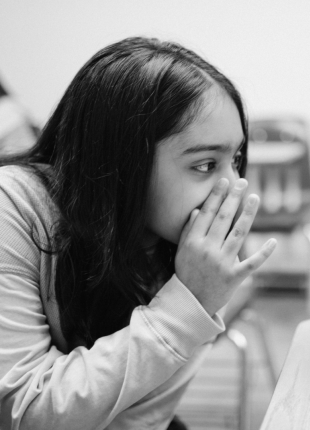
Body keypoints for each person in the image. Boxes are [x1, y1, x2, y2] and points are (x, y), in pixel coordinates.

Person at [0, 37, 276, 429]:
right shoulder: (12, 206)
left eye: (234, 160)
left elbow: (142, 420)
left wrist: (196, 299)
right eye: (204, 164)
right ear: (123, 161)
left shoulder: (190, 254)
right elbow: (26, 414)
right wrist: (186, 307)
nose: (234, 187)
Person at [0, 78, 39, 156]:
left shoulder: (8, 105)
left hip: (18, 160)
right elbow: (35, 129)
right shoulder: (10, 105)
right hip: (34, 154)